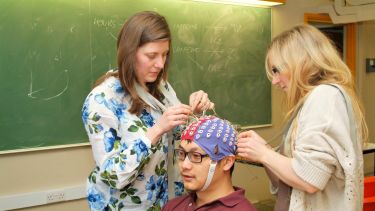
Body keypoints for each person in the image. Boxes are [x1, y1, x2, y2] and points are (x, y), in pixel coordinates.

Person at [81, 11, 214, 211]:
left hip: (165, 202)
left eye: (165, 54)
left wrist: (192, 113)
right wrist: (156, 129)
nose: (160, 64)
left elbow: (178, 135)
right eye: (152, 56)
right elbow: (112, 176)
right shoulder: (101, 100)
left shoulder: (161, 87)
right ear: (129, 52)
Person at [236, 24, 368, 211]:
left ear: (300, 63)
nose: (274, 81)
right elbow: (287, 183)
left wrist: (264, 154)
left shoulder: (324, 97)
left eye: (277, 70)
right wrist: (264, 152)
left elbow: (309, 180)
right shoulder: (316, 99)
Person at [162, 116, 256, 211]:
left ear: (227, 162)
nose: (184, 165)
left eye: (196, 155)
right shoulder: (172, 206)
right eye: (182, 154)